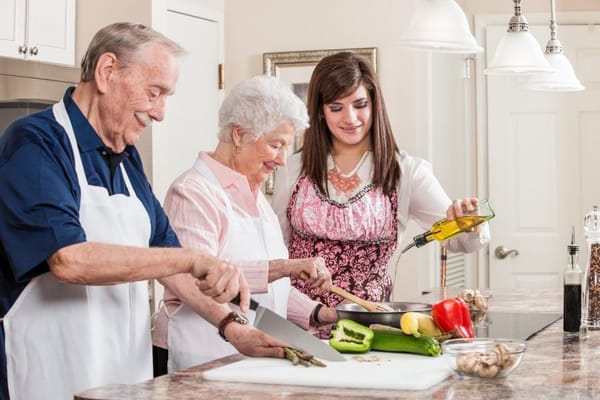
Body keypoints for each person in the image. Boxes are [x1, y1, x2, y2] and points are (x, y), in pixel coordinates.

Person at [0, 22, 250, 400]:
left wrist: (233, 326)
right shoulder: (36, 142)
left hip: (122, 377)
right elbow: (70, 260)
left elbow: (173, 267)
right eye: (154, 92)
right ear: (107, 72)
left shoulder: (127, 158)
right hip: (49, 375)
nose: (161, 112)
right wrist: (191, 258)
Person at [271, 51, 490, 338]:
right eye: (336, 107)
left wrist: (471, 220)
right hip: (294, 326)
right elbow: (274, 250)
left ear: (375, 104)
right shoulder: (293, 167)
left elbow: (462, 243)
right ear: (321, 112)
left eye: (360, 104)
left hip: (371, 331)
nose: (350, 118)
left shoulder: (406, 172)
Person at [152, 75, 339, 374]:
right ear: (239, 134)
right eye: (276, 145)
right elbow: (199, 281)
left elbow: (268, 292)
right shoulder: (192, 192)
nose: (280, 160)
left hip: (246, 360)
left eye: (285, 148)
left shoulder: (257, 197)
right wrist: (284, 266)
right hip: (198, 356)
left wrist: (321, 313)